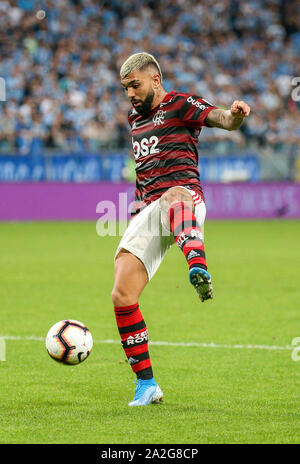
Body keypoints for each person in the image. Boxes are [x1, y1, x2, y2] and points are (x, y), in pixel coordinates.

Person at [112, 52, 251, 406]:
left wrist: (233, 117)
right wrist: (137, 203)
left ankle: (197, 265)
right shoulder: (134, 119)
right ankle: (147, 385)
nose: (129, 93)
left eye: (135, 85)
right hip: (148, 209)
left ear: (155, 81)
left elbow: (219, 117)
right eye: (125, 88)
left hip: (184, 198)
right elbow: (146, 171)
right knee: (122, 294)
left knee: (173, 194)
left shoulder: (179, 104)